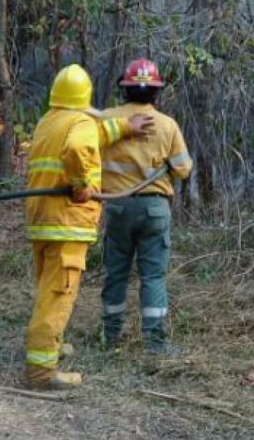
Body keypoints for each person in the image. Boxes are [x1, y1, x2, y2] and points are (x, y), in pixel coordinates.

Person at [22, 64, 153, 389]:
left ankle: (49, 344)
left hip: (44, 220)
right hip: (67, 221)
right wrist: (82, 185)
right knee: (58, 295)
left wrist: (124, 126)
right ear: (84, 99)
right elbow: (80, 146)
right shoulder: (79, 121)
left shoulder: (50, 121)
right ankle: (41, 371)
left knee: (47, 291)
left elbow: (90, 137)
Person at [100, 59, 192, 355]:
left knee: (116, 272)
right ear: (156, 92)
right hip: (154, 209)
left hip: (117, 206)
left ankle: (110, 337)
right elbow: (183, 170)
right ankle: (156, 342)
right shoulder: (167, 125)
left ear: (124, 89)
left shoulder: (106, 120)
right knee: (152, 275)